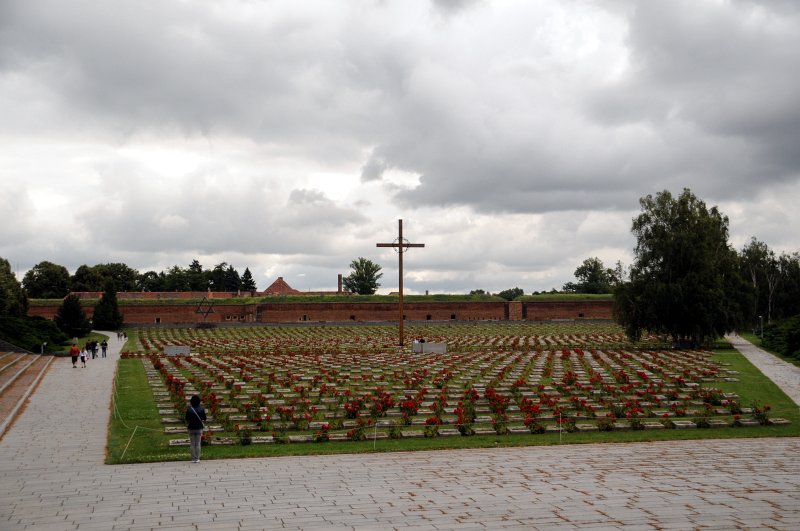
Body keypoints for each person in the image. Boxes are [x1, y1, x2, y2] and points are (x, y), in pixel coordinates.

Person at [185, 395, 207, 463]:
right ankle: (197, 458)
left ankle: (193, 458)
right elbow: (204, 418)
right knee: (198, 443)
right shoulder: (201, 409)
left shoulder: (189, 409)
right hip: (199, 427)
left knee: (192, 443)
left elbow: (187, 418)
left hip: (191, 428)